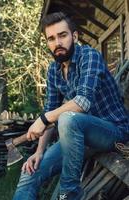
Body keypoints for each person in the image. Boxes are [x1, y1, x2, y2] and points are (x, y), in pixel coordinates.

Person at [13, 12, 129, 200]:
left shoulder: (89, 56)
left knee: (67, 119)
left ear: (74, 36)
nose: (57, 43)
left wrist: (43, 120)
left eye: (62, 35)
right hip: (79, 137)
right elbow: (49, 110)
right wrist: (39, 151)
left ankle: (69, 194)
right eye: (51, 38)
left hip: (113, 132)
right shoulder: (53, 70)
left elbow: (82, 102)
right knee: (29, 172)